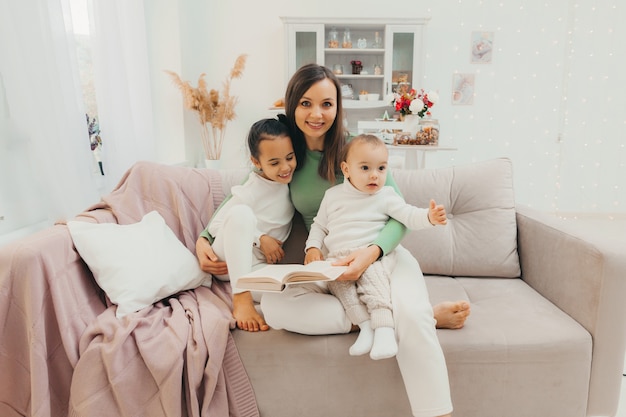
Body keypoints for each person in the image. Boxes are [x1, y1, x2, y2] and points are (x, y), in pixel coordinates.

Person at [256, 63, 464, 417]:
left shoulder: (359, 152)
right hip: (328, 264)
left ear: (338, 107)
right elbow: (247, 191)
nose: (317, 114)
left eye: (327, 103)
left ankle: (434, 401)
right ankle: (381, 316)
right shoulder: (285, 152)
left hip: (381, 257)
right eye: (306, 103)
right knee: (274, 306)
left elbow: (399, 217)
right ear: (292, 105)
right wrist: (208, 235)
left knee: (413, 316)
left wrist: (370, 254)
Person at [305, 134, 448, 361]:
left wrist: (429, 217)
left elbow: (408, 216)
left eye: (381, 168)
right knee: (344, 291)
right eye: (365, 168)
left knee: (373, 287)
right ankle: (365, 327)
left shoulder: (386, 196)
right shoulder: (332, 196)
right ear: (346, 169)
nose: (375, 175)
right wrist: (312, 248)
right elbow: (319, 226)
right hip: (338, 259)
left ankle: (384, 331)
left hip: (371, 256)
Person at [196, 117, 295, 332]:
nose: (286, 167)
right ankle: (241, 298)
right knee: (240, 213)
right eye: (274, 163)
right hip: (228, 261)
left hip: (256, 267)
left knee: (294, 288)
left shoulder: (287, 180)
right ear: (257, 162)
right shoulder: (251, 187)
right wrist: (261, 239)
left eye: (289, 157)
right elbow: (217, 225)